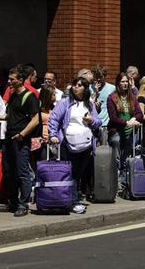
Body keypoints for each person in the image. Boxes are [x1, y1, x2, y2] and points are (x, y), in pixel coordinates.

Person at [48, 77, 102, 214]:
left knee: (79, 173)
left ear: (85, 88)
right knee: (70, 172)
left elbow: (98, 122)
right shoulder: (65, 103)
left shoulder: (89, 104)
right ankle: (73, 201)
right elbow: (54, 118)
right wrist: (53, 134)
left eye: (79, 85)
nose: (75, 87)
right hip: (68, 143)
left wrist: (91, 120)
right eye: (74, 85)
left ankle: (74, 198)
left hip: (85, 144)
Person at [0, 66, 40, 217]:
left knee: (22, 173)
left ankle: (23, 204)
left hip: (21, 140)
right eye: (9, 79)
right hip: (9, 139)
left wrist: (22, 134)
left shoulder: (29, 97)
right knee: (9, 172)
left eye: (12, 79)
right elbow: (11, 116)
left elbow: (35, 119)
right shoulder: (13, 95)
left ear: (20, 80)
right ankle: (13, 202)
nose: (9, 81)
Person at [106, 73, 143, 186]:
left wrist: (133, 119)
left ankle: (124, 181)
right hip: (116, 131)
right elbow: (113, 118)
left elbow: (139, 114)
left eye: (126, 81)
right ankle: (115, 182)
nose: (125, 84)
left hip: (129, 132)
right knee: (117, 157)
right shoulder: (112, 97)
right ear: (118, 83)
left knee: (126, 158)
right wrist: (127, 122)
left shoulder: (131, 97)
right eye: (122, 81)